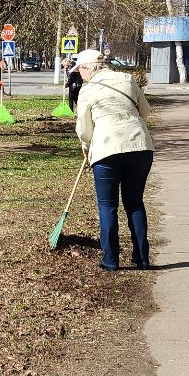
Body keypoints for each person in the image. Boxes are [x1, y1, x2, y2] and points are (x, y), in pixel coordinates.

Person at [73, 48, 156, 271]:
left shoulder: (88, 90)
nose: (79, 74)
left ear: (88, 68)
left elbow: (83, 127)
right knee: (135, 203)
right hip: (140, 146)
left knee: (107, 206)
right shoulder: (127, 79)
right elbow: (145, 112)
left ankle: (110, 260)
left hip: (107, 148)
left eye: (79, 69)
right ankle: (141, 258)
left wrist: (86, 146)